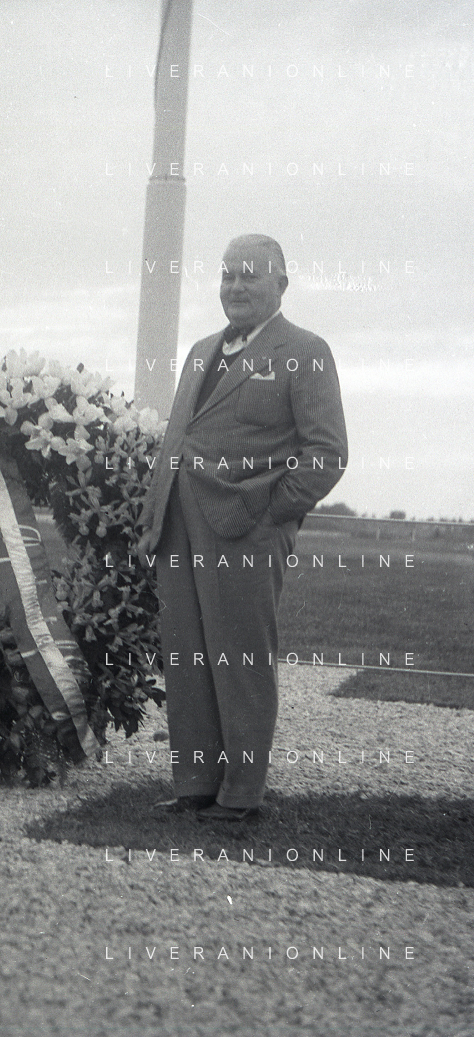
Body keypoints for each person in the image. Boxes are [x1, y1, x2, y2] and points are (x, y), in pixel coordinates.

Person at [136, 234, 347, 821]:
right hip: (179, 528)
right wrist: (153, 516)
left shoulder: (305, 350)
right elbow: (177, 440)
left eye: (249, 275)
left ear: (282, 282)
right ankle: (195, 785)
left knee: (241, 659)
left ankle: (241, 795)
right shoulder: (201, 351)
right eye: (228, 275)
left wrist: (272, 513)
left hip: (246, 532)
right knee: (186, 657)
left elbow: (327, 453)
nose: (235, 287)